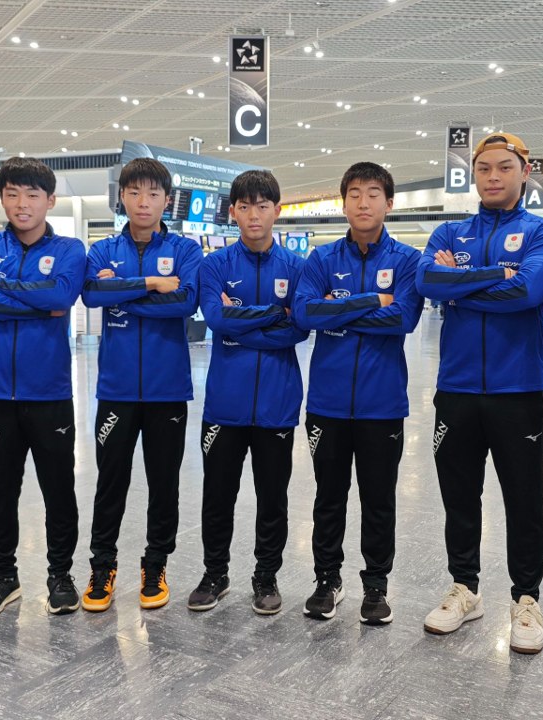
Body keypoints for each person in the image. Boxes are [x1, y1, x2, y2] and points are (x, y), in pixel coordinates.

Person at [413, 132, 543, 652]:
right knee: (459, 496)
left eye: (504, 167)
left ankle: (527, 597)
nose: (493, 176)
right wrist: (495, 275)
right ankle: (465, 588)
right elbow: (428, 284)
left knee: (524, 499)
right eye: (484, 168)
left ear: (525, 172)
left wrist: (461, 285)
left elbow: (528, 291)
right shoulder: (449, 230)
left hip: (516, 389)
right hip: (455, 388)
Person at [292, 162, 422, 625]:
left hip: (381, 405)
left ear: (389, 203)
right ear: (343, 202)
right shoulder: (321, 259)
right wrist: (371, 302)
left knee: (378, 499)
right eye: (354, 194)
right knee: (328, 497)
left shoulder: (407, 260)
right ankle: (327, 579)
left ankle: (376, 586)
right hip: (326, 403)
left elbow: (403, 319)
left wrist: (339, 308)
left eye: (372, 194)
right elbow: (306, 314)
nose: (363, 203)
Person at [0, 157, 86, 618]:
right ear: (2, 199)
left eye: (32, 194)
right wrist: (35, 295)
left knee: (59, 490)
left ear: (50, 200)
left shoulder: (70, 249)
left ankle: (60, 576)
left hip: (50, 393)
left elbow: (61, 296)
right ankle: (3, 577)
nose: (21, 203)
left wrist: (5, 287)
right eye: (12, 193)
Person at [78, 157, 201, 612]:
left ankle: (155, 564)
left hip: (168, 389)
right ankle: (102, 566)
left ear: (167, 200)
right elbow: (91, 294)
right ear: (122, 197)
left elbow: (185, 302)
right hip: (116, 389)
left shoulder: (186, 251)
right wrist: (150, 283)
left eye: (153, 193)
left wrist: (123, 295)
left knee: (164, 483)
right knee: (110, 482)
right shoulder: (102, 250)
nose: (143, 202)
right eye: (134, 193)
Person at [187, 170, 307, 615]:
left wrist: (245, 324)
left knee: (273, 499)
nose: (254, 214)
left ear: (277, 210)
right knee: (218, 496)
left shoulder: (297, 267)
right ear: (233, 212)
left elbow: (301, 328)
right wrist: (276, 314)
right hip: (225, 403)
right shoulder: (214, 265)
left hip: (278, 402)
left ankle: (266, 576)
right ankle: (214, 573)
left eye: (262, 205)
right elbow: (217, 321)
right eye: (245, 206)